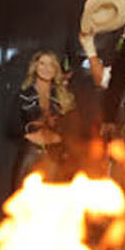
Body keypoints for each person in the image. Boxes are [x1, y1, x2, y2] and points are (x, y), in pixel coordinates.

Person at [9, 50, 78, 188]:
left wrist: (59, 136)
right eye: (42, 63)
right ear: (35, 67)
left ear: (56, 69)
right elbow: (11, 126)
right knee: (23, 195)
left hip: (55, 153)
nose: (46, 68)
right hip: (31, 151)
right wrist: (29, 134)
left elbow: (73, 127)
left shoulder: (64, 97)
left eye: (51, 64)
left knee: (53, 196)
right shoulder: (23, 95)